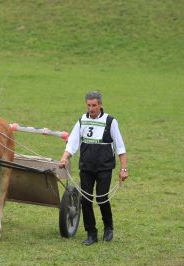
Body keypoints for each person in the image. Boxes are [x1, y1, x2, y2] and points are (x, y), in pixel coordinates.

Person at [60, 91, 128, 246]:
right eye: (89, 105)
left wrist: (124, 169)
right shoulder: (82, 121)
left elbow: (120, 147)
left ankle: (108, 228)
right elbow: (72, 144)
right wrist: (64, 158)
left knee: (102, 198)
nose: (91, 109)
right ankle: (91, 233)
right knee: (86, 200)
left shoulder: (110, 121)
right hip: (86, 167)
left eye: (94, 105)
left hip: (104, 167)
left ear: (100, 105)